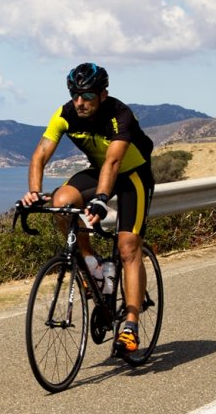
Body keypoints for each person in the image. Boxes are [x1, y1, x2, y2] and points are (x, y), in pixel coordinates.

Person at [21, 62, 154, 354]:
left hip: (132, 176)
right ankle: (92, 263)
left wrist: (101, 198)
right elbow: (39, 155)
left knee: (128, 246)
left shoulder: (120, 115)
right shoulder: (65, 114)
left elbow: (113, 162)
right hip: (98, 171)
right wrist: (33, 192)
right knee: (61, 202)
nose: (80, 102)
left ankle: (130, 323)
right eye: (75, 95)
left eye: (88, 96)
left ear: (102, 94)